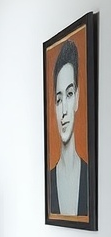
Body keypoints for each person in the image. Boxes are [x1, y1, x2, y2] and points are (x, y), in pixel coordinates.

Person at [49, 39, 88, 216]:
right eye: (58, 99)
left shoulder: (89, 175)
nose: (64, 110)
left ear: (77, 98)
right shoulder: (48, 182)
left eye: (69, 94)